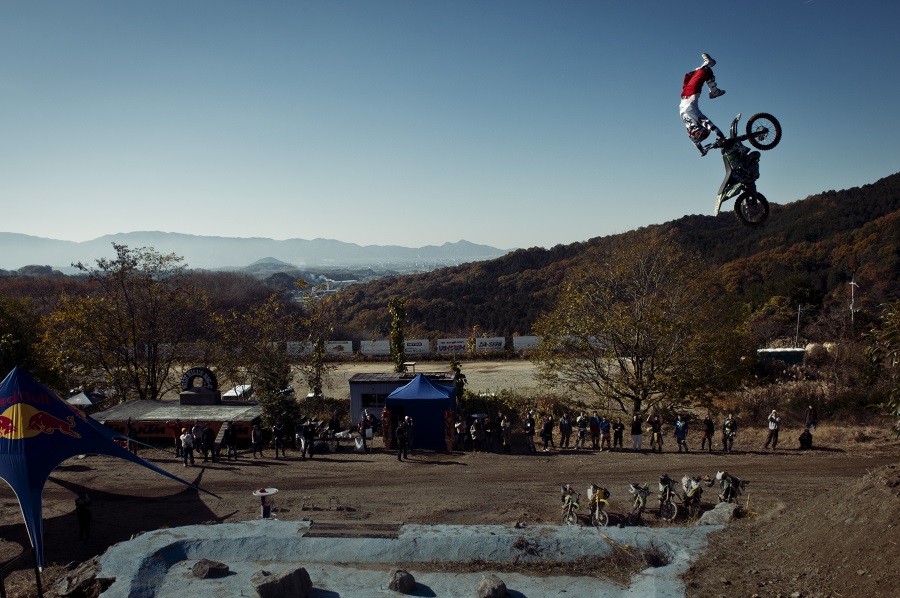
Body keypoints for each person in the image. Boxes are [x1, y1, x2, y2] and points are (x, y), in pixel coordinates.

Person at [680, 53, 726, 156]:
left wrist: (702, 151)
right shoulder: (699, 119)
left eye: (696, 133)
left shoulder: (690, 131)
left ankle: (707, 67)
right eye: (698, 132)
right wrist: (721, 137)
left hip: (684, 95)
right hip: (691, 94)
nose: (694, 132)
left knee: (689, 75)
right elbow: (711, 126)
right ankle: (714, 90)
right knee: (704, 71)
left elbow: (695, 142)